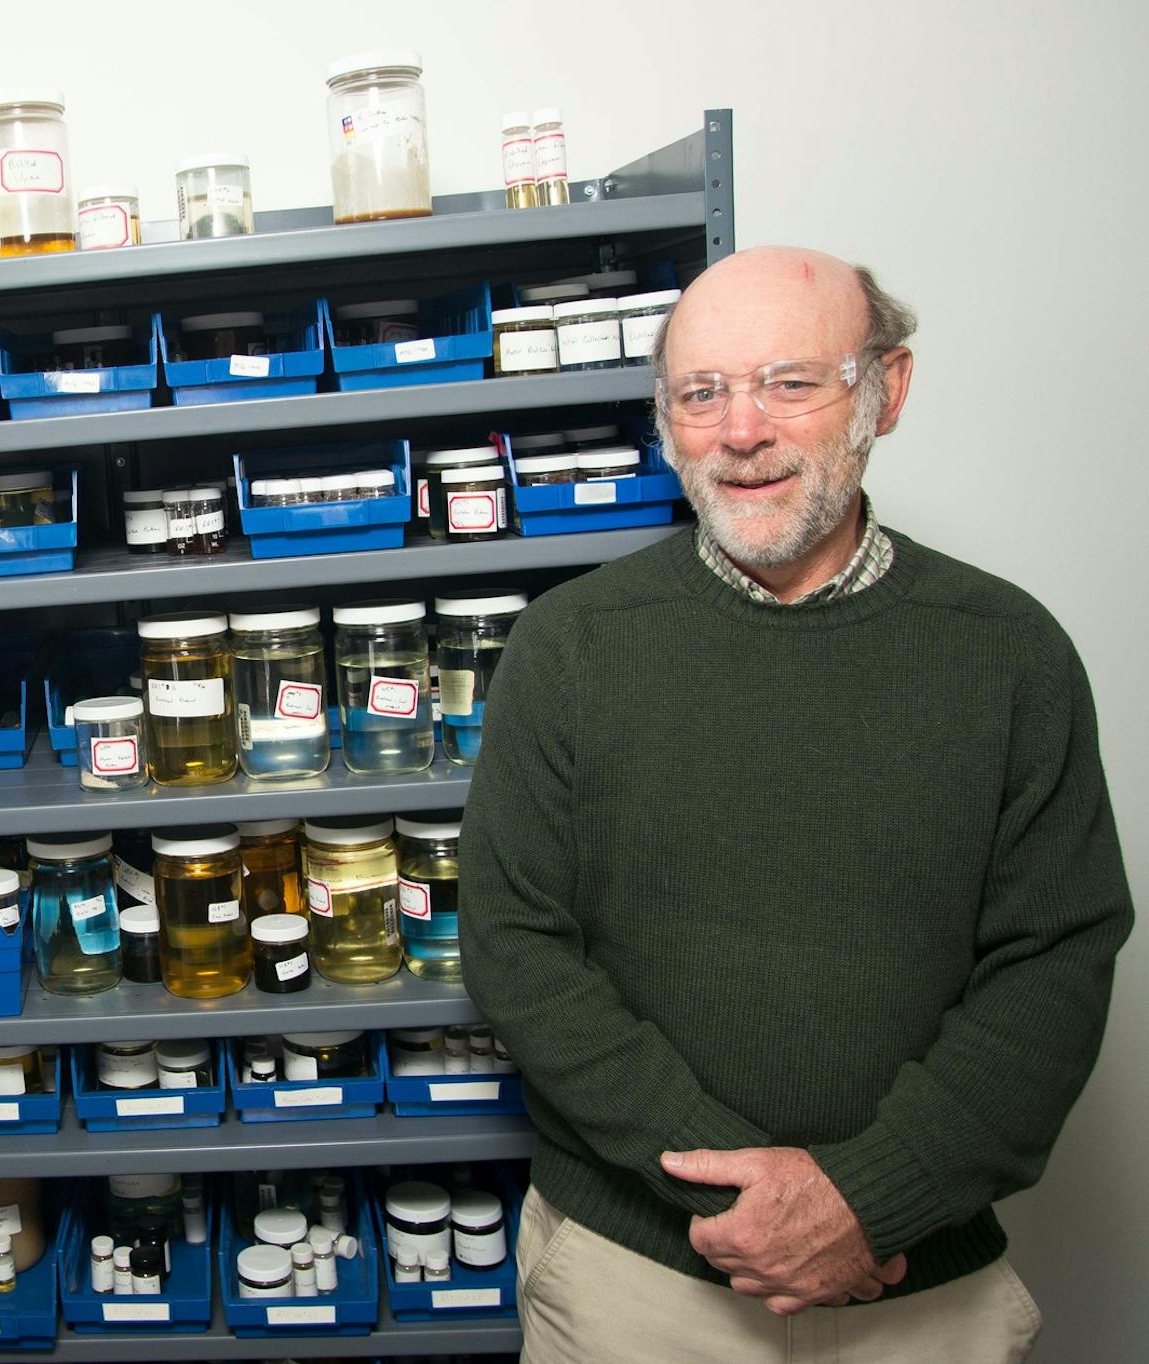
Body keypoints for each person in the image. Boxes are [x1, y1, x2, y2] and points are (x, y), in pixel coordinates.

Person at [458, 246, 1132, 1363]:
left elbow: (1056, 965)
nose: (741, 429)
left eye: (789, 381)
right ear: (667, 421)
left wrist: (866, 1195)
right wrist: (742, 1196)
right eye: (701, 392)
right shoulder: (570, 647)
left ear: (887, 391)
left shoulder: (1011, 656)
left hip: (917, 1281)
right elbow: (517, 944)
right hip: (642, 1278)